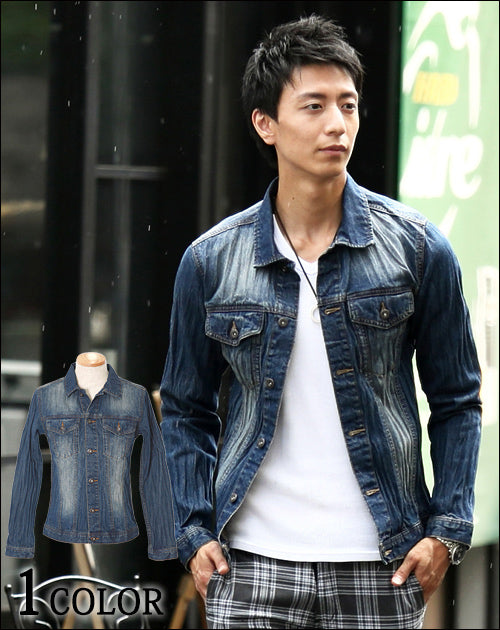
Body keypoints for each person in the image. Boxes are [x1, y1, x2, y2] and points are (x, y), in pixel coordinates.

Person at [160, 14, 481, 629]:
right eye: (314, 106)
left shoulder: (417, 250)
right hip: (250, 563)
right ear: (266, 124)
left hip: (382, 563)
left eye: (348, 105)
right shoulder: (211, 261)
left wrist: (446, 530)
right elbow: (185, 409)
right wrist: (192, 531)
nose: (337, 123)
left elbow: (457, 400)